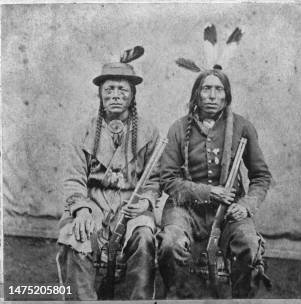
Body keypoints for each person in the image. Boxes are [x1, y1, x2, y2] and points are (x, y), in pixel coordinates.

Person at [157, 67, 272, 299]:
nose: (211, 95)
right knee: (170, 243)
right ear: (196, 95)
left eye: (218, 89)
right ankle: (177, 297)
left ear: (226, 96)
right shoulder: (179, 128)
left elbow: (261, 176)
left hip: (230, 209)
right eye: (206, 89)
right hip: (185, 209)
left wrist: (246, 205)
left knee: (249, 245)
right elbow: (168, 179)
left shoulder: (242, 127)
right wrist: (209, 192)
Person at [56, 53, 160, 300]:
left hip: (132, 204)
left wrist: (145, 202)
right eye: (109, 89)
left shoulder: (148, 132)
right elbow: (74, 179)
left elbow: (154, 180)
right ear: (100, 94)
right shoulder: (84, 131)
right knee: (76, 235)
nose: (115, 95)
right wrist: (81, 210)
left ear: (133, 95)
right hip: (93, 204)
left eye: (122, 90)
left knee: (144, 237)